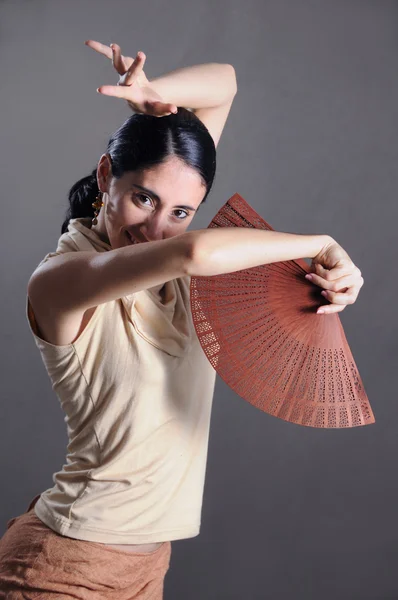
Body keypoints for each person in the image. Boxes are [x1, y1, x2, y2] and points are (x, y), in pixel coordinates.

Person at [0, 41, 363, 599]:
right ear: (106, 177)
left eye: (181, 212)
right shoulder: (61, 280)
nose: (156, 227)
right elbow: (191, 254)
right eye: (142, 199)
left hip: (149, 564)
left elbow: (226, 82)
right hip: (63, 566)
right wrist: (323, 244)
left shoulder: (167, 245)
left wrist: (157, 96)